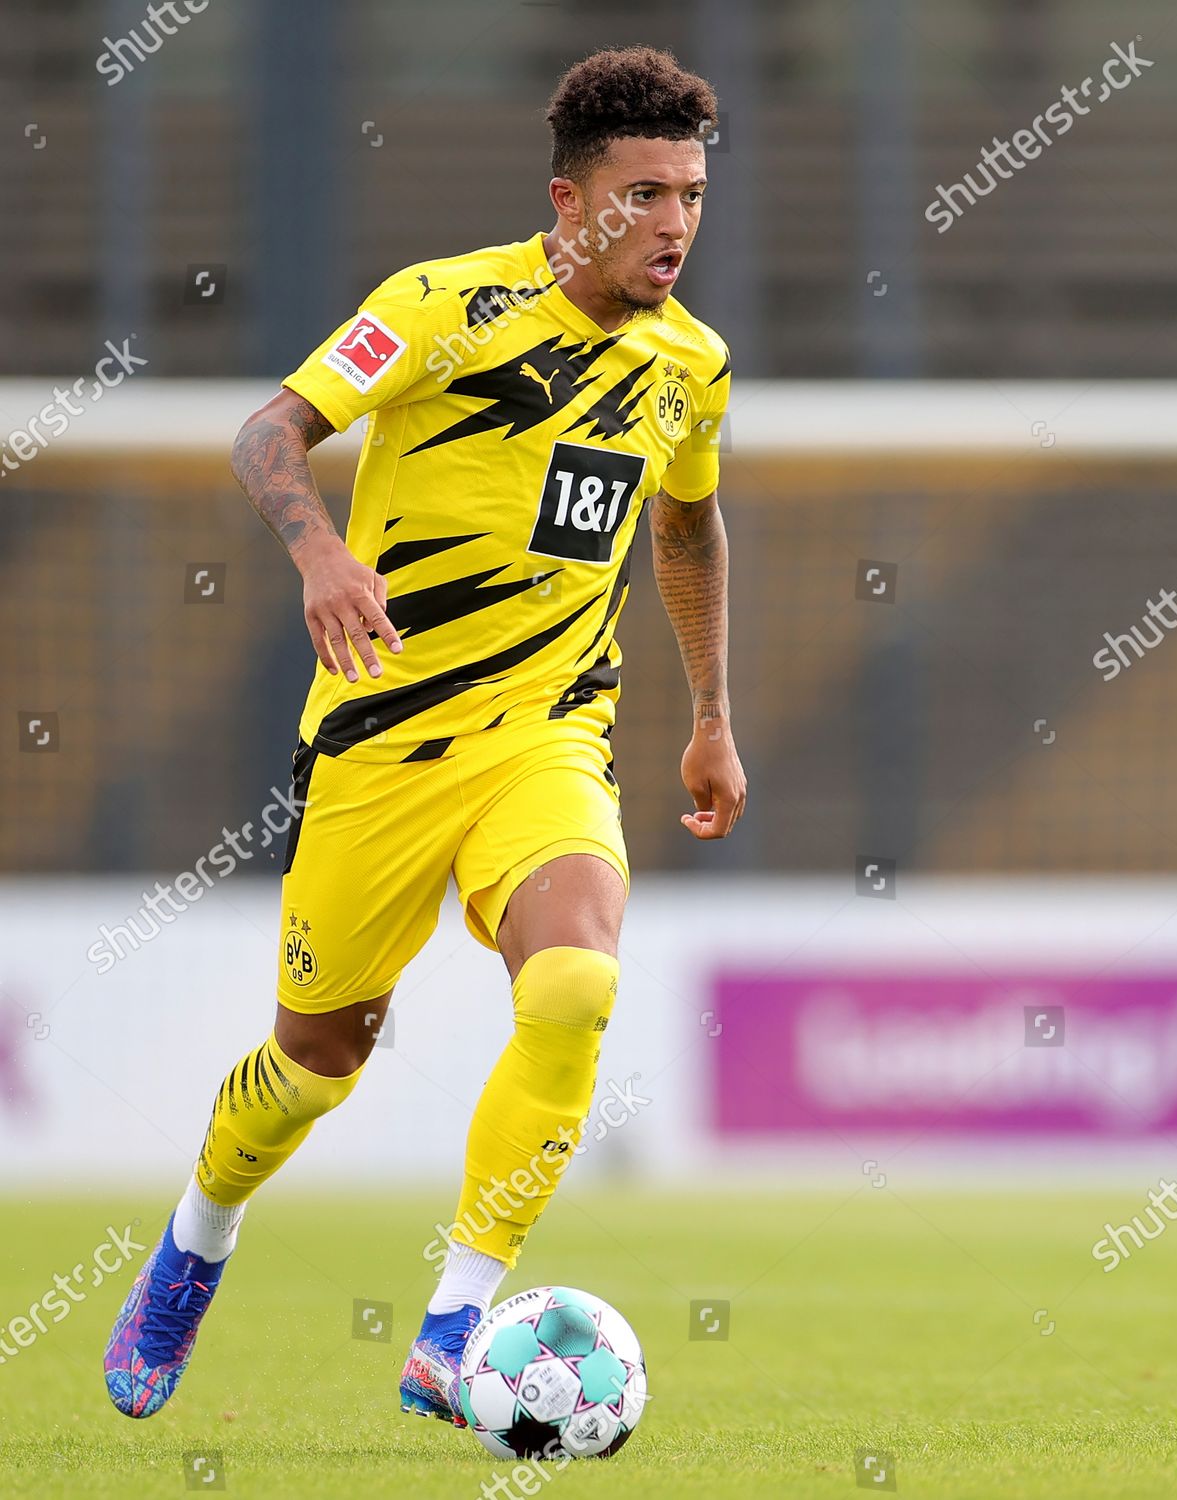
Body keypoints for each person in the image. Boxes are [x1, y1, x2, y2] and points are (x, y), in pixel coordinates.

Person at [104, 43, 745, 1424]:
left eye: (692, 192)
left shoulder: (694, 366)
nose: (676, 224)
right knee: (312, 1067)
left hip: (550, 737)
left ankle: (451, 1331)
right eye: (644, 194)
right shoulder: (443, 305)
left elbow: (686, 525)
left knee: (575, 988)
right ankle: (195, 1238)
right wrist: (319, 553)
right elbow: (269, 433)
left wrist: (712, 715)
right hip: (380, 746)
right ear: (569, 199)